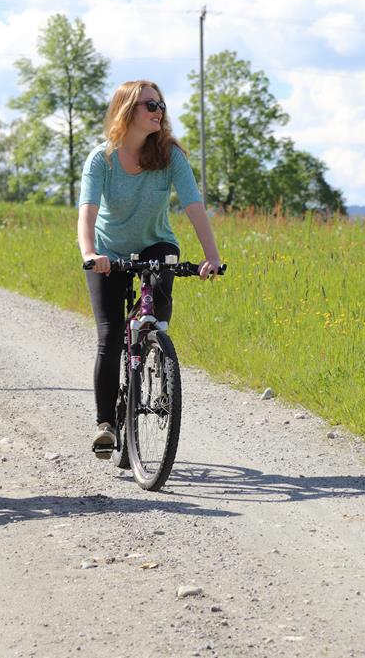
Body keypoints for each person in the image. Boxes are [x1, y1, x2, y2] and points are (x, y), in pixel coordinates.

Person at [78, 80, 222, 456]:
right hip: (108, 252)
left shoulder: (171, 156)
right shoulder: (102, 159)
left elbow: (194, 208)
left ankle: (154, 347)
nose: (159, 111)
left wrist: (212, 256)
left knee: (160, 289)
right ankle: (106, 424)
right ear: (127, 111)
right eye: (149, 105)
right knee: (109, 337)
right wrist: (91, 253)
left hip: (155, 244)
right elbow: (87, 213)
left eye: (161, 104)